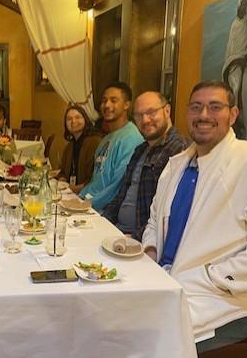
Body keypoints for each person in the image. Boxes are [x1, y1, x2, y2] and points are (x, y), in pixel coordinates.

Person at [141, 80, 247, 352]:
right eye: (196, 107)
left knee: (147, 340)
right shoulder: (178, 164)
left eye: (215, 107)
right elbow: (155, 219)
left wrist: (211, 277)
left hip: (235, 302)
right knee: (116, 318)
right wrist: (152, 251)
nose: (203, 115)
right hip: (173, 282)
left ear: (233, 114)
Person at [102, 91, 186, 240]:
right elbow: (121, 196)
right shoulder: (140, 149)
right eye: (139, 116)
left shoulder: (179, 151)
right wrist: (102, 222)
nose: (145, 120)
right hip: (117, 232)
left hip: (141, 242)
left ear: (167, 111)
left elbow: (171, 214)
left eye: (151, 112)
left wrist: (134, 238)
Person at [79, 82, 143, 211]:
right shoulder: (106, 138)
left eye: (114, 101)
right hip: (89, 206)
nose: (107, 105)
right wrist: (80, 197)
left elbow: (118, 186)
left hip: (105, 212)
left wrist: (86, 204)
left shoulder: (131, 138)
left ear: (126, 105)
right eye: (104, 101)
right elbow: (96, 180)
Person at [56, 105, 102, 194]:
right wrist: (62, 180)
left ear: (85, 119)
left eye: (77, 117)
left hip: (88, 194)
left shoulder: (94, 142)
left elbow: (95, 179)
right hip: (70, 192)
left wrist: (72, 189)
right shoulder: (70, 146)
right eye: (69, 119)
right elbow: (63, 172)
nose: (73, 121)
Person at [222, 0, 247, 107]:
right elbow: (231, 45)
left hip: (246, 56)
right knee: (236, 87)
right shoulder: (234, 24)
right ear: (239, 6)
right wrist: (232, 58)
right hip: (234, 60)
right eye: (243, 5)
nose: (245, 7)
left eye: (246, 5)